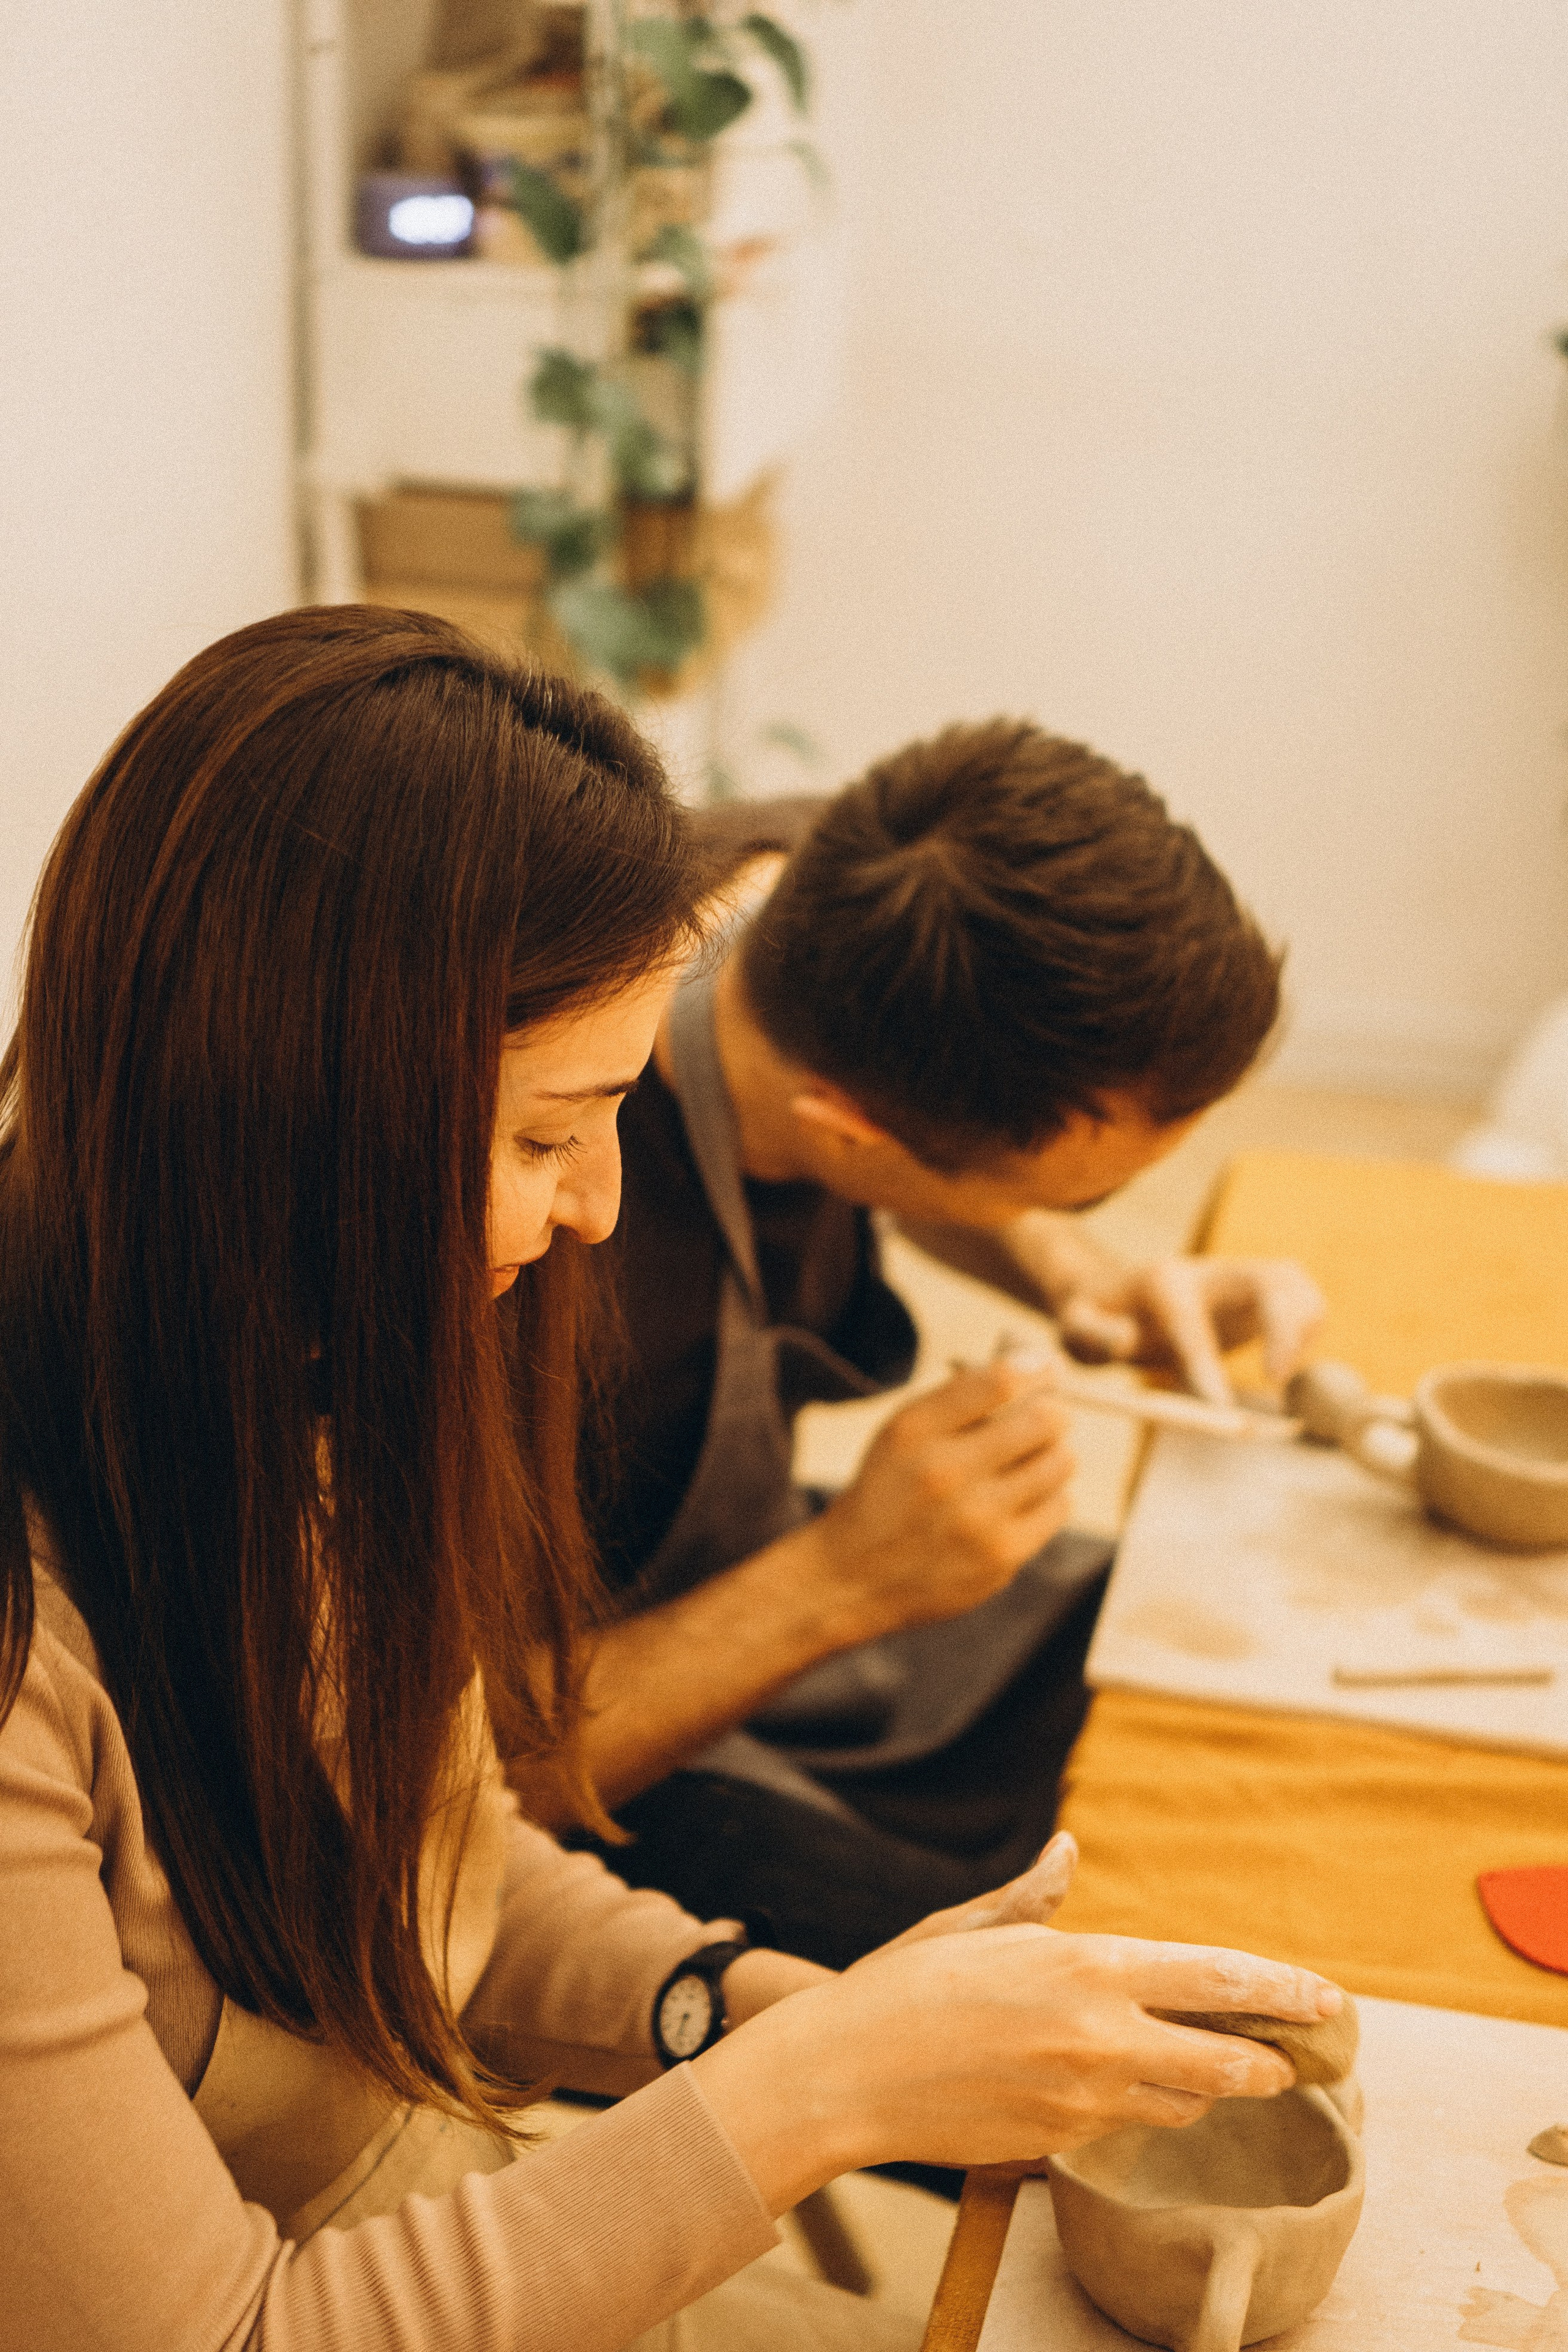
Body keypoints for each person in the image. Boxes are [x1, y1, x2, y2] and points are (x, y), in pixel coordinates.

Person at [0, 607, 1343, 2352]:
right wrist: (829, 2085)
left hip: (434, 2189)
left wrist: (752, 2007)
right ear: (297, 1111)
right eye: (547, 1134)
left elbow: (448, 1866)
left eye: (620, 1116)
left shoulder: (290, 1357)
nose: (598, 1206)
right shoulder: (47, 1656)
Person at [538, 736, 1327, 1966]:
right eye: (1069, 1196)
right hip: (565, 1717)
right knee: (1027, 1969)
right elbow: (432, 1791)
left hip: (745, 1561)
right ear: (844, 1130)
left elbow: (941, 1161)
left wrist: (1088, 1282)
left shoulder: (853, 875)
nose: (1071, 1219)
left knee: (1205, 1639)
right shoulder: (536, 1226)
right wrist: (843, 1580)